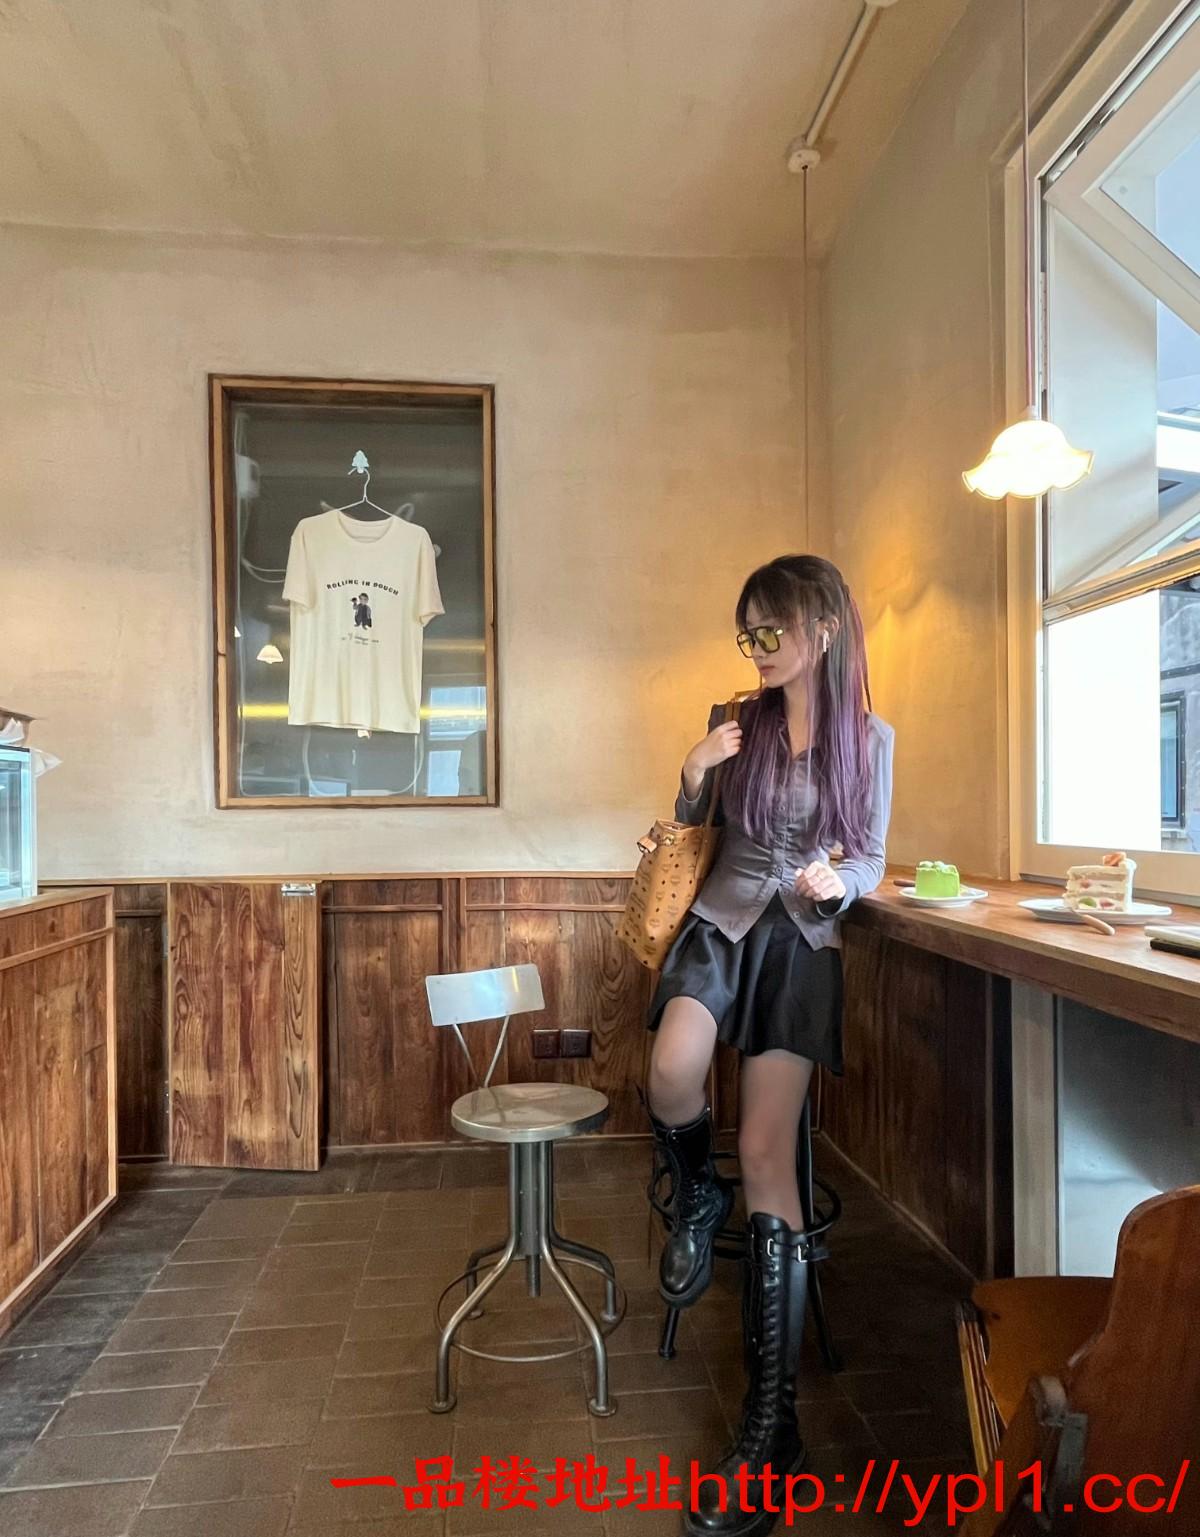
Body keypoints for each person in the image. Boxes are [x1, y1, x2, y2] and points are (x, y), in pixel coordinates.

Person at [644, 554, 894, 1537]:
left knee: (765, 1151)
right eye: (747, 631)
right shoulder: (732, 720)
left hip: (799, 945)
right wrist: (692, 770)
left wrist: (844, 883)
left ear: (822, 628)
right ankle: (695, 1196)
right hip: (719, 923)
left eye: (770, 628)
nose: (755, 646)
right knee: (670, 1071)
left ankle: (770, 1427)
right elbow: (690, 829)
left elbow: (869, 853)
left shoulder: (869, 738)